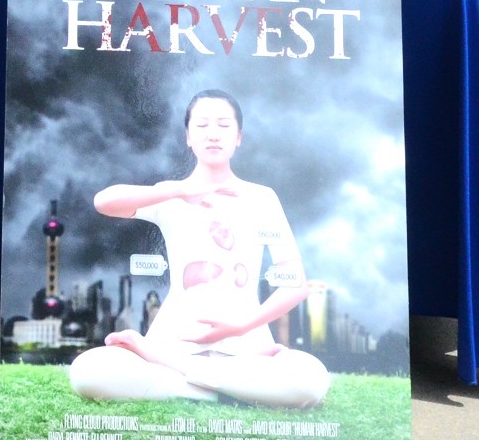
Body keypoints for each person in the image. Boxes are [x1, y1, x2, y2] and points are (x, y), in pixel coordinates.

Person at [67, 92, 330, 408]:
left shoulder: (261, 198)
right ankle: (231, 390)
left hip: (246, 351)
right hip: (172, 343)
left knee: (310, 379)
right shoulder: (171, 196)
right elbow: (104, 202)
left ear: (238, 137)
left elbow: (295, 284)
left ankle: (186, 377)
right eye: (202, 125)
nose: (213, 133)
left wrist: (240, 326)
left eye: (223, 125)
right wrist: (178, 190)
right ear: (188, 137)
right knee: (87, 371)